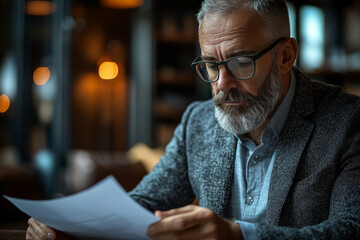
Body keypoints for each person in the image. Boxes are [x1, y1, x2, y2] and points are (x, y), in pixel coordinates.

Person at [27, 0, 360, 239]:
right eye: (211, 65)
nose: (222, 84)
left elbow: (350, 228)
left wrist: (238, 236)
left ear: (285, 56)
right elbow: (146, 202)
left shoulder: (349, 122)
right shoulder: (197, 123)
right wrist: (78, 225)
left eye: (241, 62)